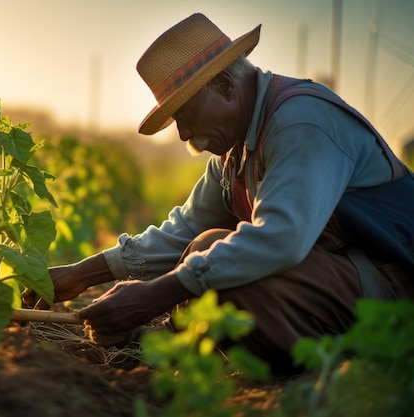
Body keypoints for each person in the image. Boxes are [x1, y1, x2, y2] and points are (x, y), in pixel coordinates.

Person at [23, 13, 414, 374]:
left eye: (186, 115)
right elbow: (184, 228)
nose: (182, 134)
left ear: (225, 86)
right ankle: (181, 345)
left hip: (393, 294)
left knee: (220, 273)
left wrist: (154, 296)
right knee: (203, 246)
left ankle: (342, 370)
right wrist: (83, 274)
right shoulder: (235, 152)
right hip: (345, 282)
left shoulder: (302, 121)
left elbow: (281, 240)